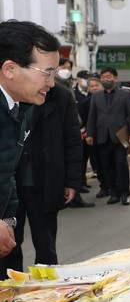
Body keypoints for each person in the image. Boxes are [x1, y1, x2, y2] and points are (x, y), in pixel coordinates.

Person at [3, 80, 85, 272]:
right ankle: (10, 292)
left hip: (45, 182)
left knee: (45, 245)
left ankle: (47, 291)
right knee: (8, 246)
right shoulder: (9, 91)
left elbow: (72, 140)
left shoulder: (60, 96)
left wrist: (72, 182)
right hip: (10, 184)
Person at [0, 19, 60, 273]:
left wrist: (7, 219)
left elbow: (8, 173)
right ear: (10, 69)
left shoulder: (16, 108)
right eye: (46, 73)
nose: (52, 83)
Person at [85, 66, 130, 206]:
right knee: (107, 166)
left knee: (121, 164)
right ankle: (113, 193)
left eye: (109, 77)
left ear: (115, 78)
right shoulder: (96, 96)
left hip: (120, 136)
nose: (106, 79)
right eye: (103, 77)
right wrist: (90, 134)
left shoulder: (125, 95)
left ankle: (125, 193)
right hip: (102, 136)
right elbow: (92, 116)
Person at [79, 77, 109, 198]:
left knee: (109, 162)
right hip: (92, 137)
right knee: (96, 162)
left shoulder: (109, 100)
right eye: (92, 86)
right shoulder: (85, 103)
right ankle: (104, 186)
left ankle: (113, 184)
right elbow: (84, 121)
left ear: (102, 86)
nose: (94, 88)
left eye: (97, 85)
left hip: (108, 136)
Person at [74, 70, 92, 191]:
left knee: (86, 157)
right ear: (78, 79)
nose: (86, 80)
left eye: (88, 78)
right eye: (84, 78)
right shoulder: (73, 93)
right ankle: (78, 183)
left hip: (90, 131)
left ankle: (83, 181)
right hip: (78, 131)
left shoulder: (91, 93)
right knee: (79, 158)